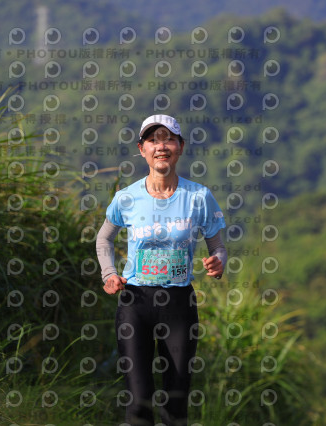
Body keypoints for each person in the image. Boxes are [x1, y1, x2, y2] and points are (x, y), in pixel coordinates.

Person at [96, 114, 228, 425]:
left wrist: (218, 261)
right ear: (142, 149)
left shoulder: (199, 197)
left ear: (180, 147)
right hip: (135, 303)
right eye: (153, 140)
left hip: (179, 304)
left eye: (169, 139)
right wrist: (109, 274)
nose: (161, 146)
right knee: (139, 401)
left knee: (176, 403)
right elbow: (104, 238)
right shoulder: (126, 198)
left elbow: (218, 247)